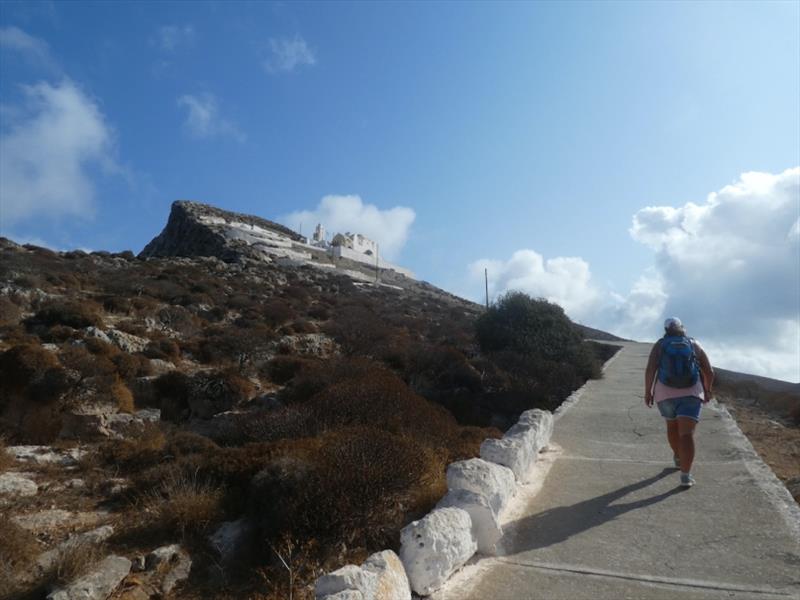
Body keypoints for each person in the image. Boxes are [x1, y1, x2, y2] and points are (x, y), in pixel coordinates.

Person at [645, 317, 714, 488]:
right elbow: (709, 371)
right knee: (686, 434)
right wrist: (708, 390)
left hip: (665, 394)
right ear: (683, 328)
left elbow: (650, 369)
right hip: (691, 394)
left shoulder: (660, 345)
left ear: (666, 329)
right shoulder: (694, 344)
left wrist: (648, 391)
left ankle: (677, 455)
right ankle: (685, 475)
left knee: (672, 427)